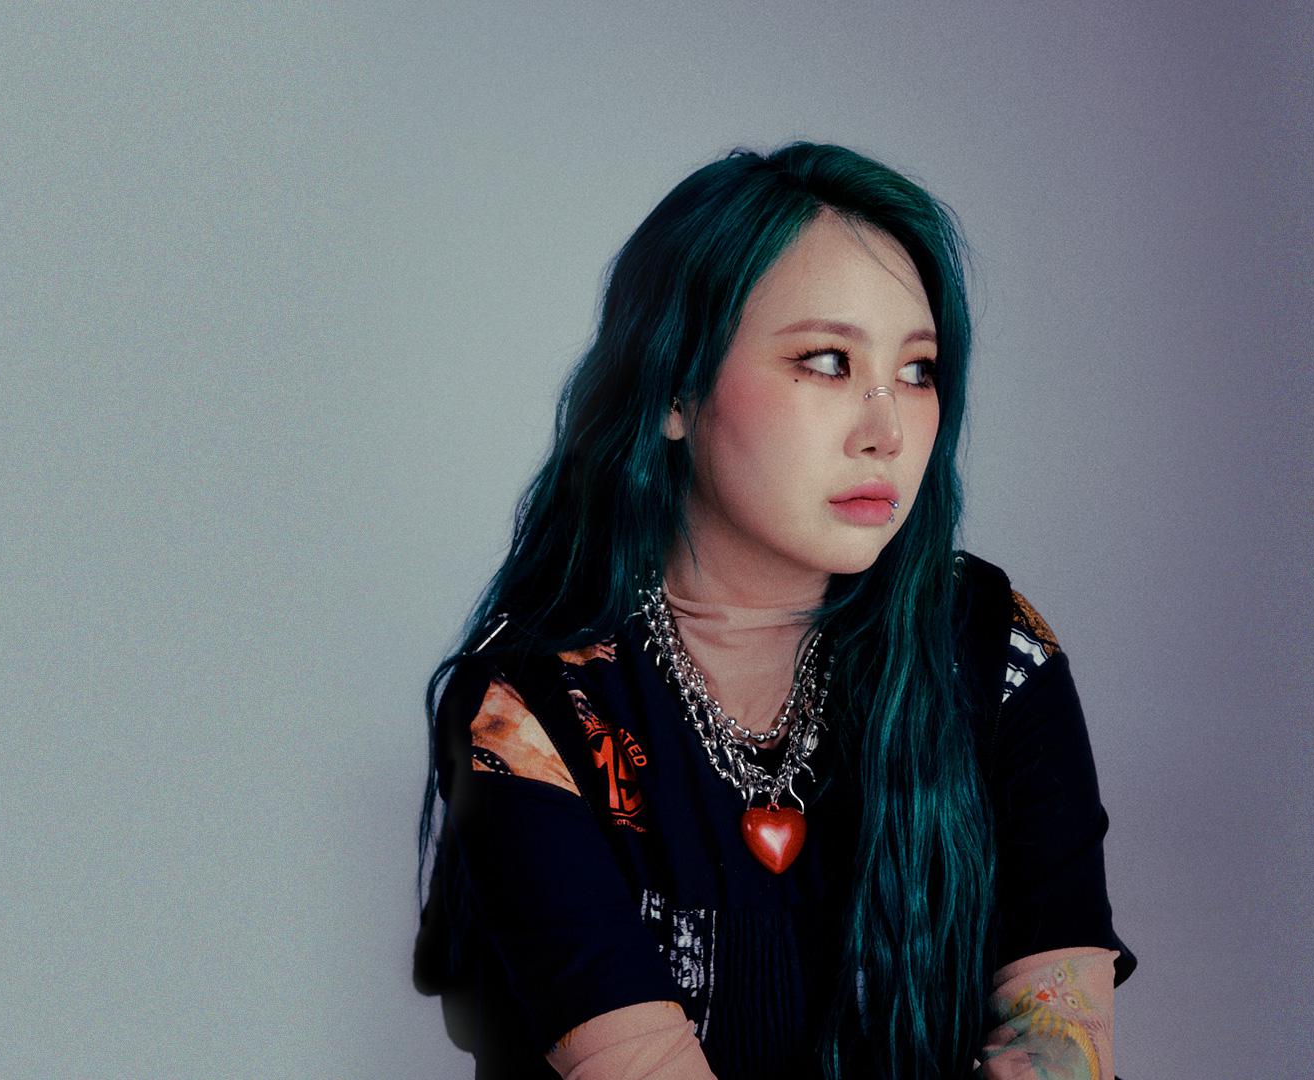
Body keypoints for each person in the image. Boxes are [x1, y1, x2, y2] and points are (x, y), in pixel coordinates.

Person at [413, 142, 1134, 1080]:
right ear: (674, 390)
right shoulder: (528, 712)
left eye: (918, 371)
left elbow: (1062, 1049)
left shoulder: (989, 650)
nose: (886, 429)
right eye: (826, 361)